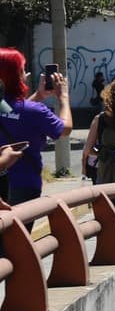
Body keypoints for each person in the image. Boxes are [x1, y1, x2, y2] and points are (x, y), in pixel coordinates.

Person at [0, 49, 71, 204]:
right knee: (19, 228)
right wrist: (63, 98)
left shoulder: (2, 106)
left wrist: (38, 96)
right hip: (25, 184)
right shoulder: (35, 111)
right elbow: (65, 129)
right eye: (23, 70)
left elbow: (14, 114)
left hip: (4, 181)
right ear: (17, 75)